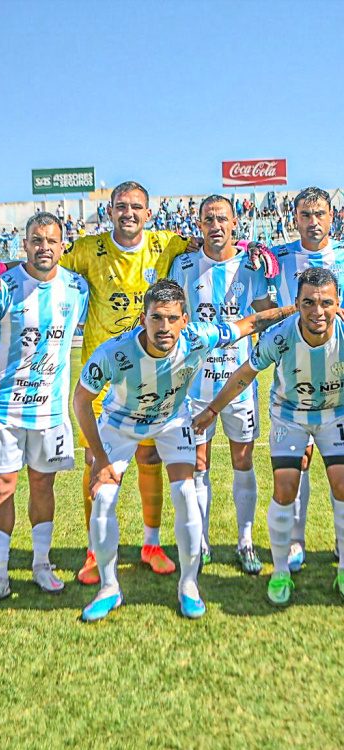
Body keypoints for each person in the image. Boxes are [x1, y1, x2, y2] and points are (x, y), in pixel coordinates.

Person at [0, 182, 277, 585]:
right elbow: (43, 258)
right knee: (96, 464)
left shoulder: (167, 244)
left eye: (136, 207)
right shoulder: (87, 249)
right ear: (110, 211)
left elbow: (219, 247)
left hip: (154, 376)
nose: (128, 213)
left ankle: (152, 544)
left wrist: (252, 248)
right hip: (105, 377)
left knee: (151, 460)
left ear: (149, 213)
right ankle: (93, 552)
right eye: (120, 206)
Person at [74, 280, 294, 621]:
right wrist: (101, 460)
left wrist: (299, 309)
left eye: (172, 318)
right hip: (119, 425)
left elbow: (251, 323)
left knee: (187, 496)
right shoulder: (113, 352)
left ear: (185, 320)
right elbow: (81, 401)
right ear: (143, 319)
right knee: (103, 500)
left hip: (171, 421)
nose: (164, 327)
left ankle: (188, 585)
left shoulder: (199, 337)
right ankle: (109, 587)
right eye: (156, 318)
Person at [193, 267, 344, 604]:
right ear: (297, 304)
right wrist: (213, 409)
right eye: (308, 302)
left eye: (326, 303)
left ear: (337, 304)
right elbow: (245, 374)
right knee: (285, 487)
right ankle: (280, 571)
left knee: (342, 483)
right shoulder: (280, 335)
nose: (317, 311)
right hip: (290, 415)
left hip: (335, 414)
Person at [0, 213, 89, 609]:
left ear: (63, 245)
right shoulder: (3, 287)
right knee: (2, 490)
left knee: (42, 487)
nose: (44, 247)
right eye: (37, 240)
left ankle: (41, 564)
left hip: (50, 413)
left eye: (51, 241)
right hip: (4, 411)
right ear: (25, 244)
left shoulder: (77, 288)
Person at [169, 196, 271, 574]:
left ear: (234, 223)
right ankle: (203, 541)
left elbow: (265, 314)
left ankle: (245, 541)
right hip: (195, 387)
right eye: (208, 219)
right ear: (199, 225)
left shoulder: (251, 266)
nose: (215, 225)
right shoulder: (183, 265)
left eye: (222, 218)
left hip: (240, 384)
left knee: (243, 460)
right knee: (199, 464)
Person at [261, 187, 344, 570]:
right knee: (298, 462)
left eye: (320, 214)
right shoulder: (278, 257)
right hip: (293, 376)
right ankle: (295, 541)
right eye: (305, 215)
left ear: (332, 216)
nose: (313, 222)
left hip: (338, 378)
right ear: (293, 217)